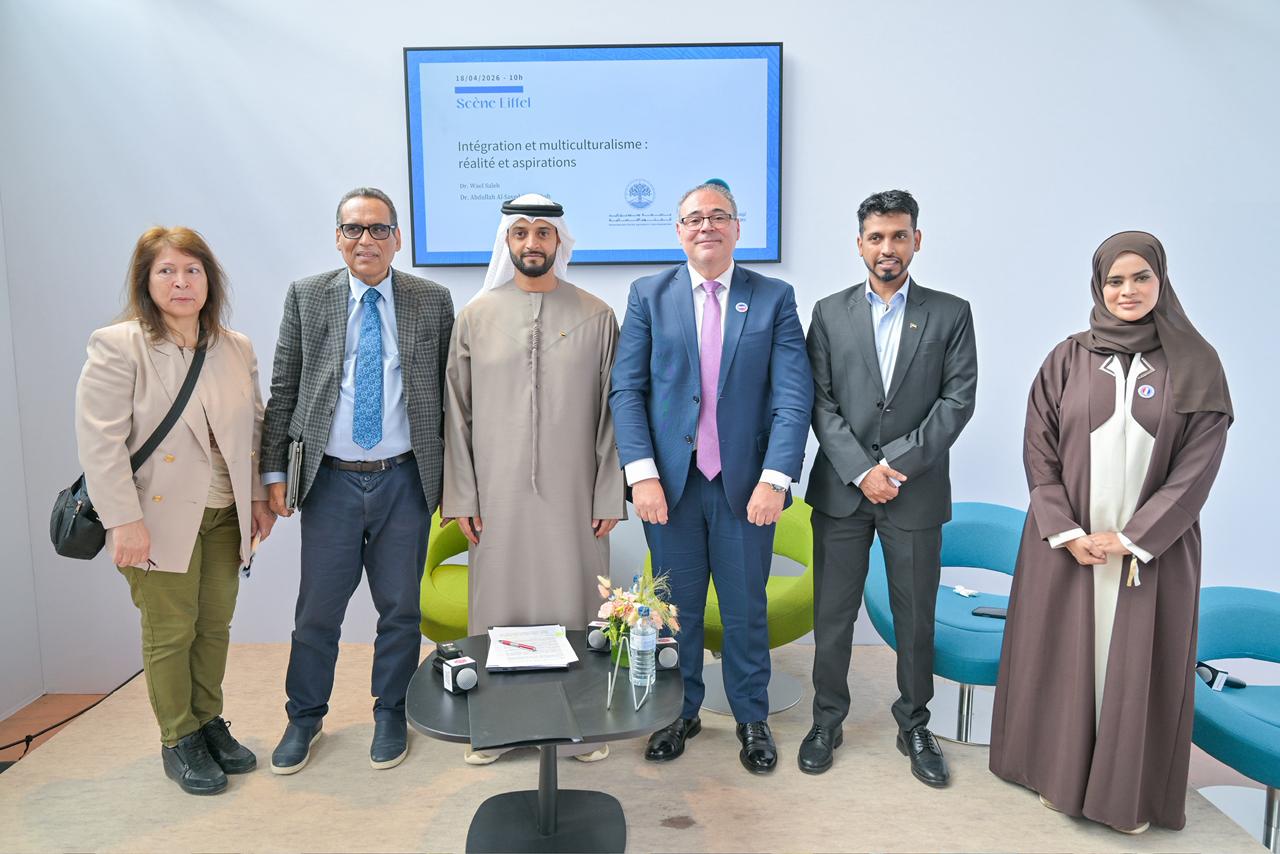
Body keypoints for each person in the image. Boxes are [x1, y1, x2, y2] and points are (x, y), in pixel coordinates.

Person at [989, 231, 1232, 834]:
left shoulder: (1196, 363)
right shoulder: (1066, 358)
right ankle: (1059, 778)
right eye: (1115, 280)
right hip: (1068, 547)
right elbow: (1039, 450)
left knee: (1138, 669)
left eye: (1141, 277)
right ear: (1098, 286)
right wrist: (1066, 530)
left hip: (1152, 553)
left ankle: (1128, 796)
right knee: (1062, 661)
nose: (1128, 290)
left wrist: (1134, 538)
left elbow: (1197, 467)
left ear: (1161, 281)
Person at [610, 180, 813, 774]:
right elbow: (627, 390)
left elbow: (793, 397)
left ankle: (752, 717)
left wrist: (776, 478)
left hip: (746, 487)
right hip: (669, 487)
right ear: (679, 231)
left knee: (746, 607)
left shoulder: (773, 298)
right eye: (695, 218)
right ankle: (679, 712)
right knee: (676, 610)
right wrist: (641, 475)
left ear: (737, 228)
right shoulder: (648, 295)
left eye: (719, 216)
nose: (707, 226)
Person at [75, 226, 275, 795]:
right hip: (154, 518)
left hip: (224, 514)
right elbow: (100, 443)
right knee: (170, 631)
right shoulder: (119, 344)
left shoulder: (235, 347)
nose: (181, 282)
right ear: (146, 281)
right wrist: (123, 520)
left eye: (192, 270)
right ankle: (179, 737)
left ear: (210, 279)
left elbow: (254, 428)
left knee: (213, 626)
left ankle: (209, 722)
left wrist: (257, 498)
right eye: (166, 271)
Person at [261, 187, 454, 774]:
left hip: (404, 481)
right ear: (338, 237)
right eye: (353, 229)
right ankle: (304, 717)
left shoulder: (431, 299)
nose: (365, 240)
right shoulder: (307, 296)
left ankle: (391, 711)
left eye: (377, 229)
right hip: (329, 482)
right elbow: (284, 387)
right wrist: (274, 472)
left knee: (400, 610)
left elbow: (451, 397)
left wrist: (456, 482)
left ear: (397, 238)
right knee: (317, 613)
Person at [801, 190, 977, 786]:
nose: (887, 247)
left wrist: (892, 468)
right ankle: (826, 721)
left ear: (916, 240)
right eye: (876, 237)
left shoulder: (951, 313)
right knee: (833, 615)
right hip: (842, 492)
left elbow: (956, 402)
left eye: (899, 235)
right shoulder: (829, 313)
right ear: (859, 244)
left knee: (915, 618)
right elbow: (819, 403)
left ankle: (915, 724)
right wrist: (861, 470)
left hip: (914, 492)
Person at [443, 193, 624, 765]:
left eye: (543, 233)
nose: (531, 243)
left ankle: (582, 728)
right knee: (500, 611)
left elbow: (614, 414)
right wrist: (463, 496)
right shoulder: (475, 317)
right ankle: (498, 728)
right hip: (495, 499)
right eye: (520, 232)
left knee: (576, 609)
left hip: (575, 499)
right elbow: (456, 413)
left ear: (559, 241)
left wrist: (608, 493)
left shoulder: (597, 315)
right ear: (507, 241)